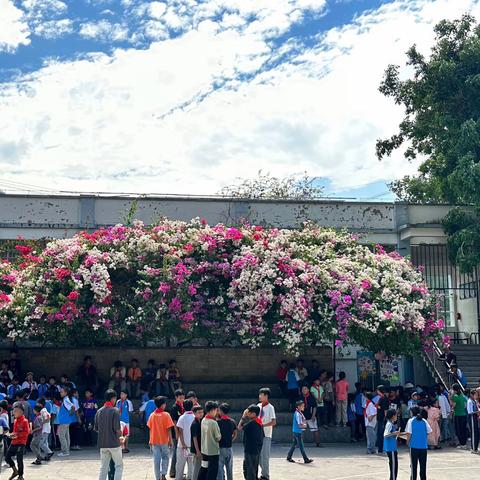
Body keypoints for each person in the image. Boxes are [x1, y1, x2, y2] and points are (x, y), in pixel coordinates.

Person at [95, 389, 124, 480]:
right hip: (114, 443)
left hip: (102, 444)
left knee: (103, 467)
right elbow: (117, 429)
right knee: (119, 466)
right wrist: (121, 438)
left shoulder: (99, 411)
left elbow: (96, 429)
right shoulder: (115, 411)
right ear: (113, 399)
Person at [147, 396, 174, 480]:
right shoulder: (166, 415)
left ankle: (157, 477)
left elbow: (150, 429)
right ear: (162, 405)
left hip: (154, 440)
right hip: (164, 440)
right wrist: (171, 440)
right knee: (165, 457)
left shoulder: (152, 415)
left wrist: (150, 439)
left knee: (156, 460)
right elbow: (169, 429)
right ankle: (163, 474)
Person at [237, 404, 264, 480]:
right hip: (256, 450)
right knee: (253, 469)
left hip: (250, 450)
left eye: (249, 412)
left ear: (254, 414)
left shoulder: (251, 423)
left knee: (249, 470)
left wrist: (243, 417)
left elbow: (239, 427)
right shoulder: (259, 422)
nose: (247, 413)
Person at [406, 407, 432, 480]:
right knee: (423, 466)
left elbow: (409, 433)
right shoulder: (424, 420)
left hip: (414, 446)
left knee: (413, 466)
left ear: (412, 412)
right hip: (423, 446)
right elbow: (429, 431)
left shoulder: (411, 421)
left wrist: (407, 442)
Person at [5, 403, 29, 480]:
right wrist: (11, 434)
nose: (14, 412)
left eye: (16, 411)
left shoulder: (25, 421)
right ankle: (15, 471)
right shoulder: (15, 420)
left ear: (21, 412)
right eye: (13, 411)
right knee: (7, 457)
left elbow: (26, 432)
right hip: (14, 442)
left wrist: (16, 435)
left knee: (19, 459)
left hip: (21, 443)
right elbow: (15, 432)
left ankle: (20, 475)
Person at [199, 400, 221, 480]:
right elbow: (218, 437)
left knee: (204, 469)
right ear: (212, 410)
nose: (216, 412)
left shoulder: (203, 420)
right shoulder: (213, 422)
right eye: (216, 410)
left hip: (204, 450)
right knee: (212, 472)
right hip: (213, 451)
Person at [286, 400, 313, 464]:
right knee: (301, 446)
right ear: (299, 407)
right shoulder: (298, 414)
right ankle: (305, 459)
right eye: (302, 406)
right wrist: (305, 426)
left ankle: (289, 456)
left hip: (296, 431)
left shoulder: (298, 413)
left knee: (294, 444)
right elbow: (299, 425)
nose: (304, 407)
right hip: (298, 432)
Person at [257, 387, 276, 480]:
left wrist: (262, 425)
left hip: (266, 434)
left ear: (266, 396)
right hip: (258, 434)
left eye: (262, 394)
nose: (260, 396)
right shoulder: (258, 406)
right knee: (259, 456)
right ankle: (263, 473)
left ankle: (266, 476)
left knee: (265, 456)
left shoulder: (270, 407)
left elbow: (274, 422)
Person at [176, 399, 195, 480]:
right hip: (192, 445)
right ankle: (190, 477)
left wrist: (183, 443)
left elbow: (180, 431)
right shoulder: (195, 417)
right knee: (191, 464)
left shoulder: (182, 417)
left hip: (182, 445)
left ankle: (178, 478)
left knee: (180, 464)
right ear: (192, 407)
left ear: (183, 406)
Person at [217, 403, 237, 480]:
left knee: (220, 469)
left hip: (220, 447)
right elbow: (235, 433)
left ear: (221, 411)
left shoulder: (218, 423)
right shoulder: (232, 421)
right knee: (229, 468)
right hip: (229, 447)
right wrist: (231, 440)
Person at [169, 389, 185, 478]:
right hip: (176, 432)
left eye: (183, 398)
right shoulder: (175, 407)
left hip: (182, 431)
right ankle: (172, 471)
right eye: (180, 398)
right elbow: (174, 422)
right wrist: (177, 434)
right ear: (176, 398)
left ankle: (179, 471)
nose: (182, 399)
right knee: (176, 452)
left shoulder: (183, 406)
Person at [57, 386, 77, 456]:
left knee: (62, 436)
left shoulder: (66, 399)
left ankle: (65, 451)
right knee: (66, 436)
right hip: (66, 421)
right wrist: (70, 414)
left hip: (64, 421)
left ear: (66, 392)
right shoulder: (66, 399)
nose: (60, 393)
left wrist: (70, 414)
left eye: (62, 392)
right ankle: (67, 451)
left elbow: (73, 407)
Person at [383, 409, 401, 480]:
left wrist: (396, 434)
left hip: (392, 448)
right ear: (393, 416)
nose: (397, 416)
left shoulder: (391, 424)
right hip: (391, 449)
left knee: (394, 466)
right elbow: (385, 434)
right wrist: (394, 433)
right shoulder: (389, 424)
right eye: (396, 415)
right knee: (393, 467)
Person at [451, 383, 468, 448]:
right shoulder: (462, 396)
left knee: (459, 430)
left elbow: (453, 405)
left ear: (454, 390)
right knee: (463, 429)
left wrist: (451, 398)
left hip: (458, 415)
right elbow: (465, 406)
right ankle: (464, 443)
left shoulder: (455, 397)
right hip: (463, 414)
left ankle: (461, 444)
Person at [375, 385, 390, 454]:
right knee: (380, 434)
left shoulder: (383, 398)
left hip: (382, 419)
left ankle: (382, 449)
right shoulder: (383, 398)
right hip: (380, 418)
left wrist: (385, 418)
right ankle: (381, 449)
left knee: (381, 434)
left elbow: (385, 410)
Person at [191, 405, 204, 480]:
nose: (201, 414)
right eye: (199, 412)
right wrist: (198, 451)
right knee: (196, 467)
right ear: (194, 413)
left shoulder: (201, 421)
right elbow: (194, 438)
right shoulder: (194, 424)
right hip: (197, 449)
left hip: (201, 448)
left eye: (202, 412)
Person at [467, 388, 480, 453]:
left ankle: (475, 447)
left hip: (475, 418)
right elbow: (470, 412)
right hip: (472, 418)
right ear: (472, 395)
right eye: (475, 395)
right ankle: (473, 448)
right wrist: (477, 411)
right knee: (474, 433)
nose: (477, 396)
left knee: (476, 433)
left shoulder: (474, 401)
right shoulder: (470, 401)